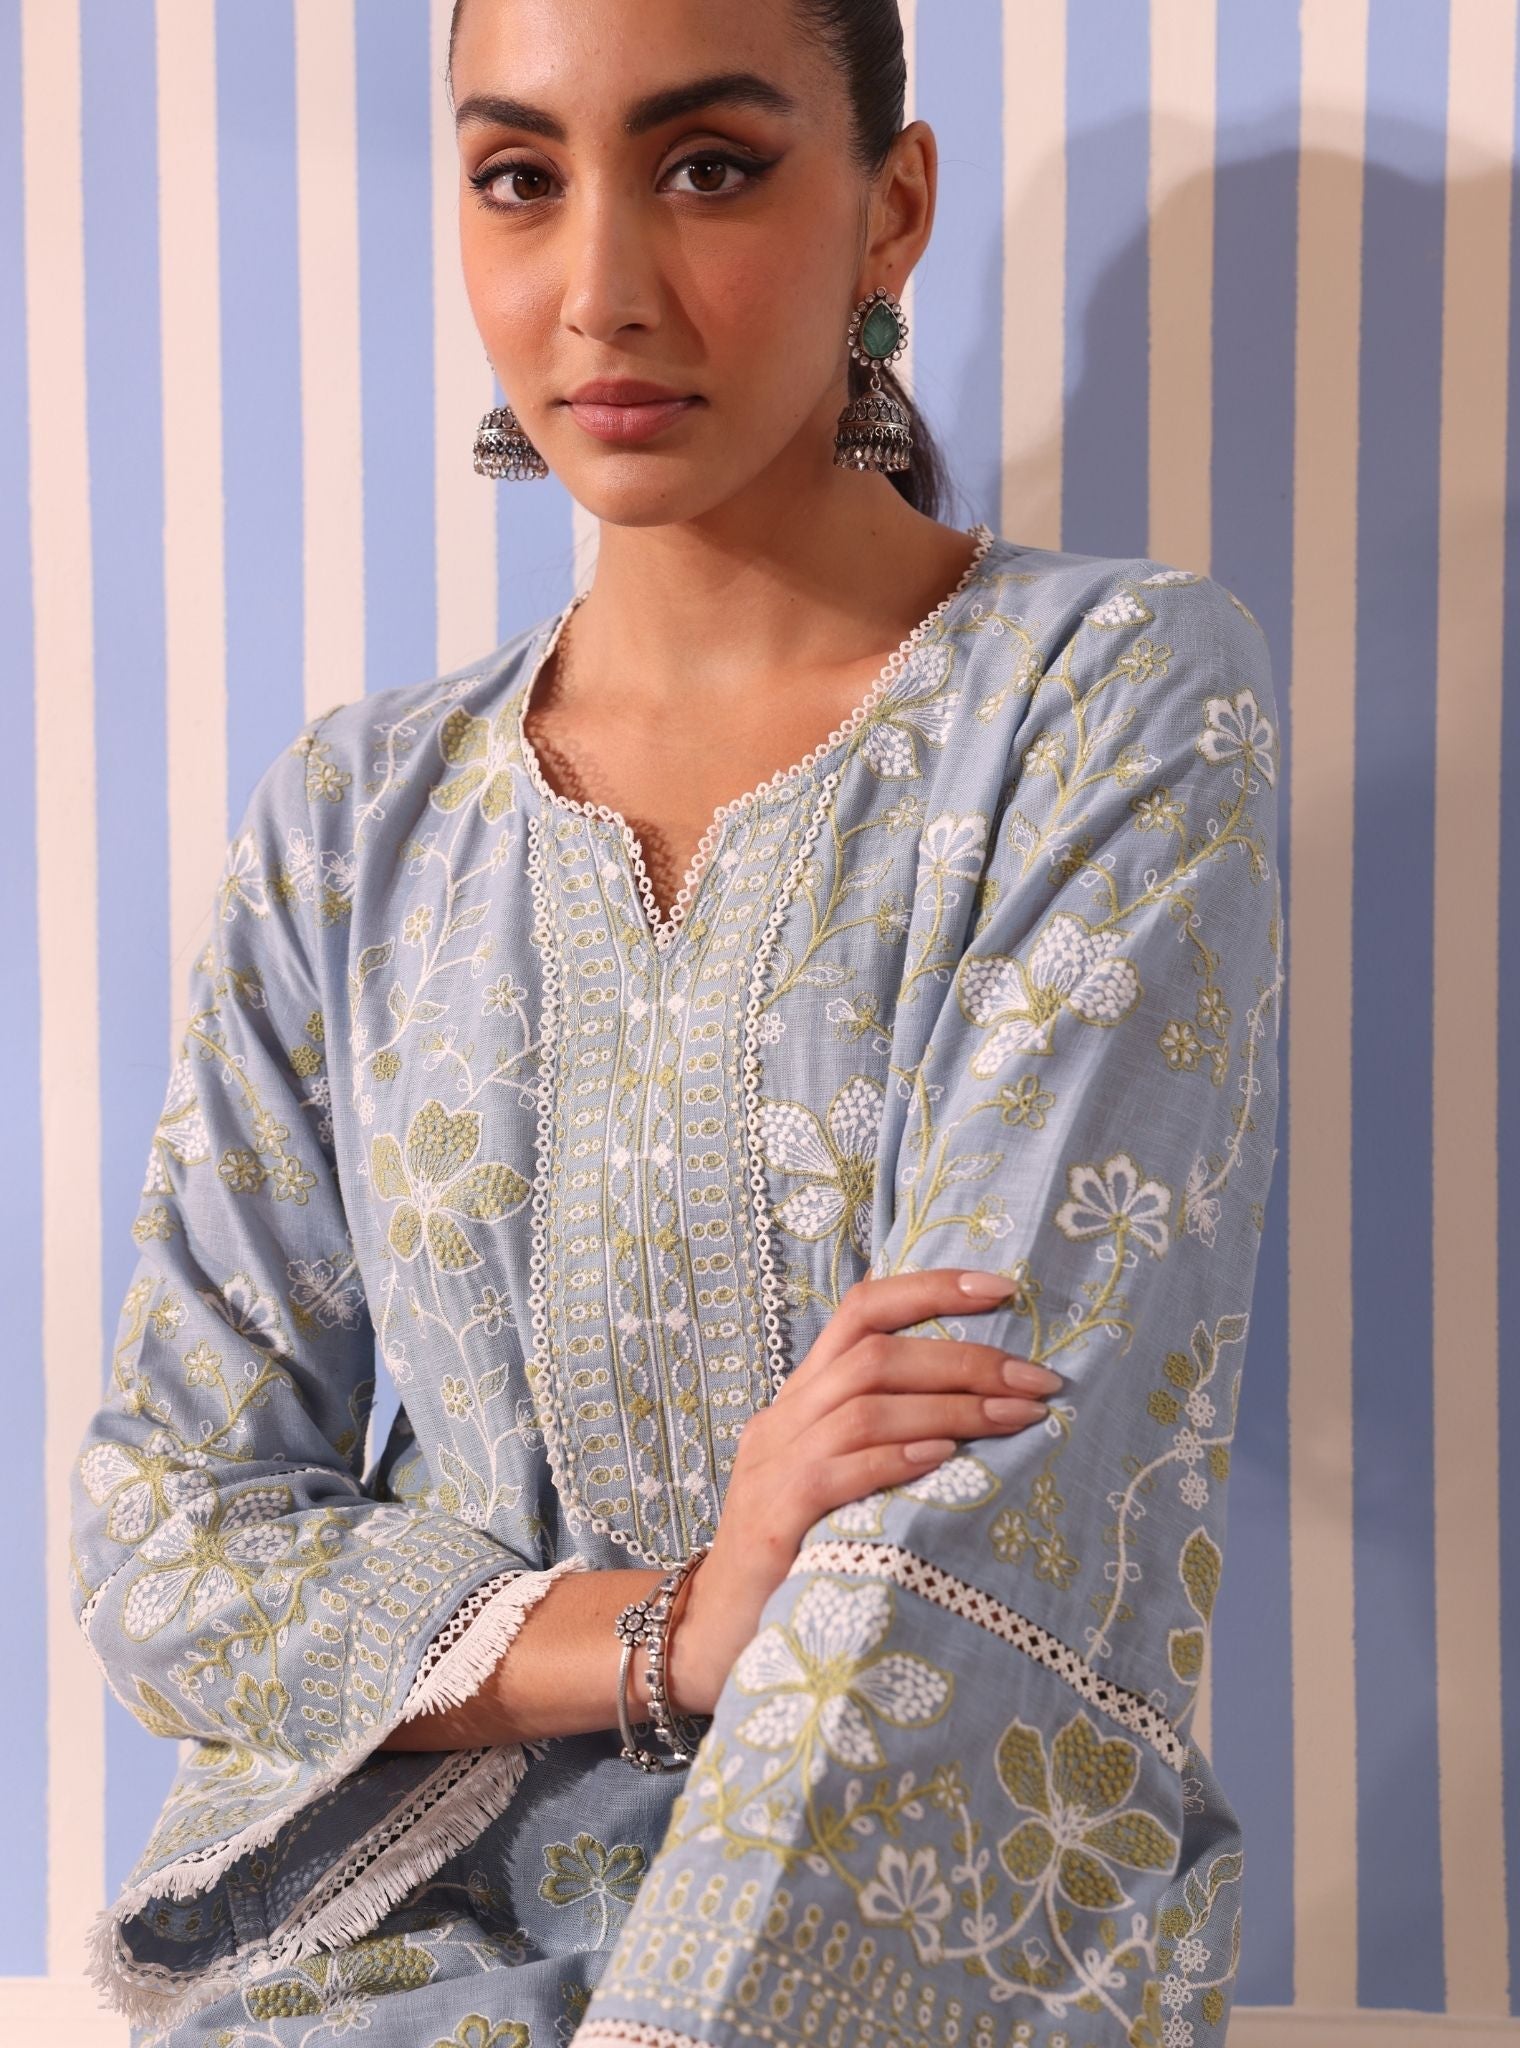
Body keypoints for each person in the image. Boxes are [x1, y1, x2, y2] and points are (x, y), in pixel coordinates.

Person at [69, 1, 1284, 2043]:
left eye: (708, 167)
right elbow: (169, 1534)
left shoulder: (1102, 706)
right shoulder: (356, 822)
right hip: (381, 1942)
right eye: (518, 178)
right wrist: (672, 1629)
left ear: (890, 208)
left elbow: (987, 1498)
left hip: (926, 1925)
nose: (601, 287)